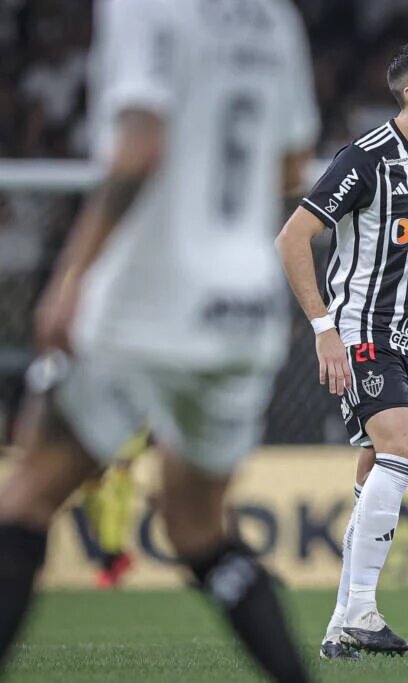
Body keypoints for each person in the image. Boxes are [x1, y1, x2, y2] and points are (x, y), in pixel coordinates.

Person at [0, 1, 319, 681]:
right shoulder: (273, 18)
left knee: (26, 499)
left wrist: (72, 276)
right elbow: (292, 165)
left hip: (149, 297)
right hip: (246, 305)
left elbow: (142, 145)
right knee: (199, 527)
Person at [275, 41, 408, 659]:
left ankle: (339, 627)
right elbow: (292, 238)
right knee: (402, 448)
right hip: (363, 332)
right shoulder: (366, 159)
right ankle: (361, 610)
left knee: (373, 472)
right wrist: (323, 328)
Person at [81, 426, 148, 589]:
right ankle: (116, 559)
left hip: (119, 455)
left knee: (112, 508)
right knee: (94, 505)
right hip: (95, 446)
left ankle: (111, 560)